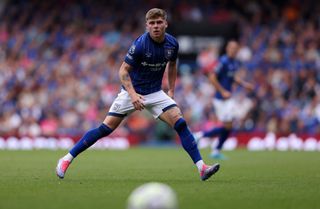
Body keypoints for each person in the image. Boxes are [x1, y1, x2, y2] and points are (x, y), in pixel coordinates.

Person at [56, 8, 220, 181]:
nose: (156, 26)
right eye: (152, 23)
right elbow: (123, 71)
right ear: (147, 25)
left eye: (159, 22)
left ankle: (202, 168)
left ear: (166, 23)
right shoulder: (141, 44)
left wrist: (171, 90)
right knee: (105, 128)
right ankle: (67, 158)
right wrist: (133, 95)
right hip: (131, 91)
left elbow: (172, 65)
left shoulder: (172, 44)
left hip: (155, 92)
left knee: (180, 123)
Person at [194, 40, 254, 159]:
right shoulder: (223, 61)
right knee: (227, 126)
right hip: (220, 99)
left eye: (235, 48)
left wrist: (244, 84)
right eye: (231, 48)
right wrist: (222, 91)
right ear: (227, 49)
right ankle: (199, 136)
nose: (233, 50)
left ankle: (215, 150)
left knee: (229, 126)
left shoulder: (233, 62)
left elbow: (232, 77)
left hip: (228, 99)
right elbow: (212, 77)